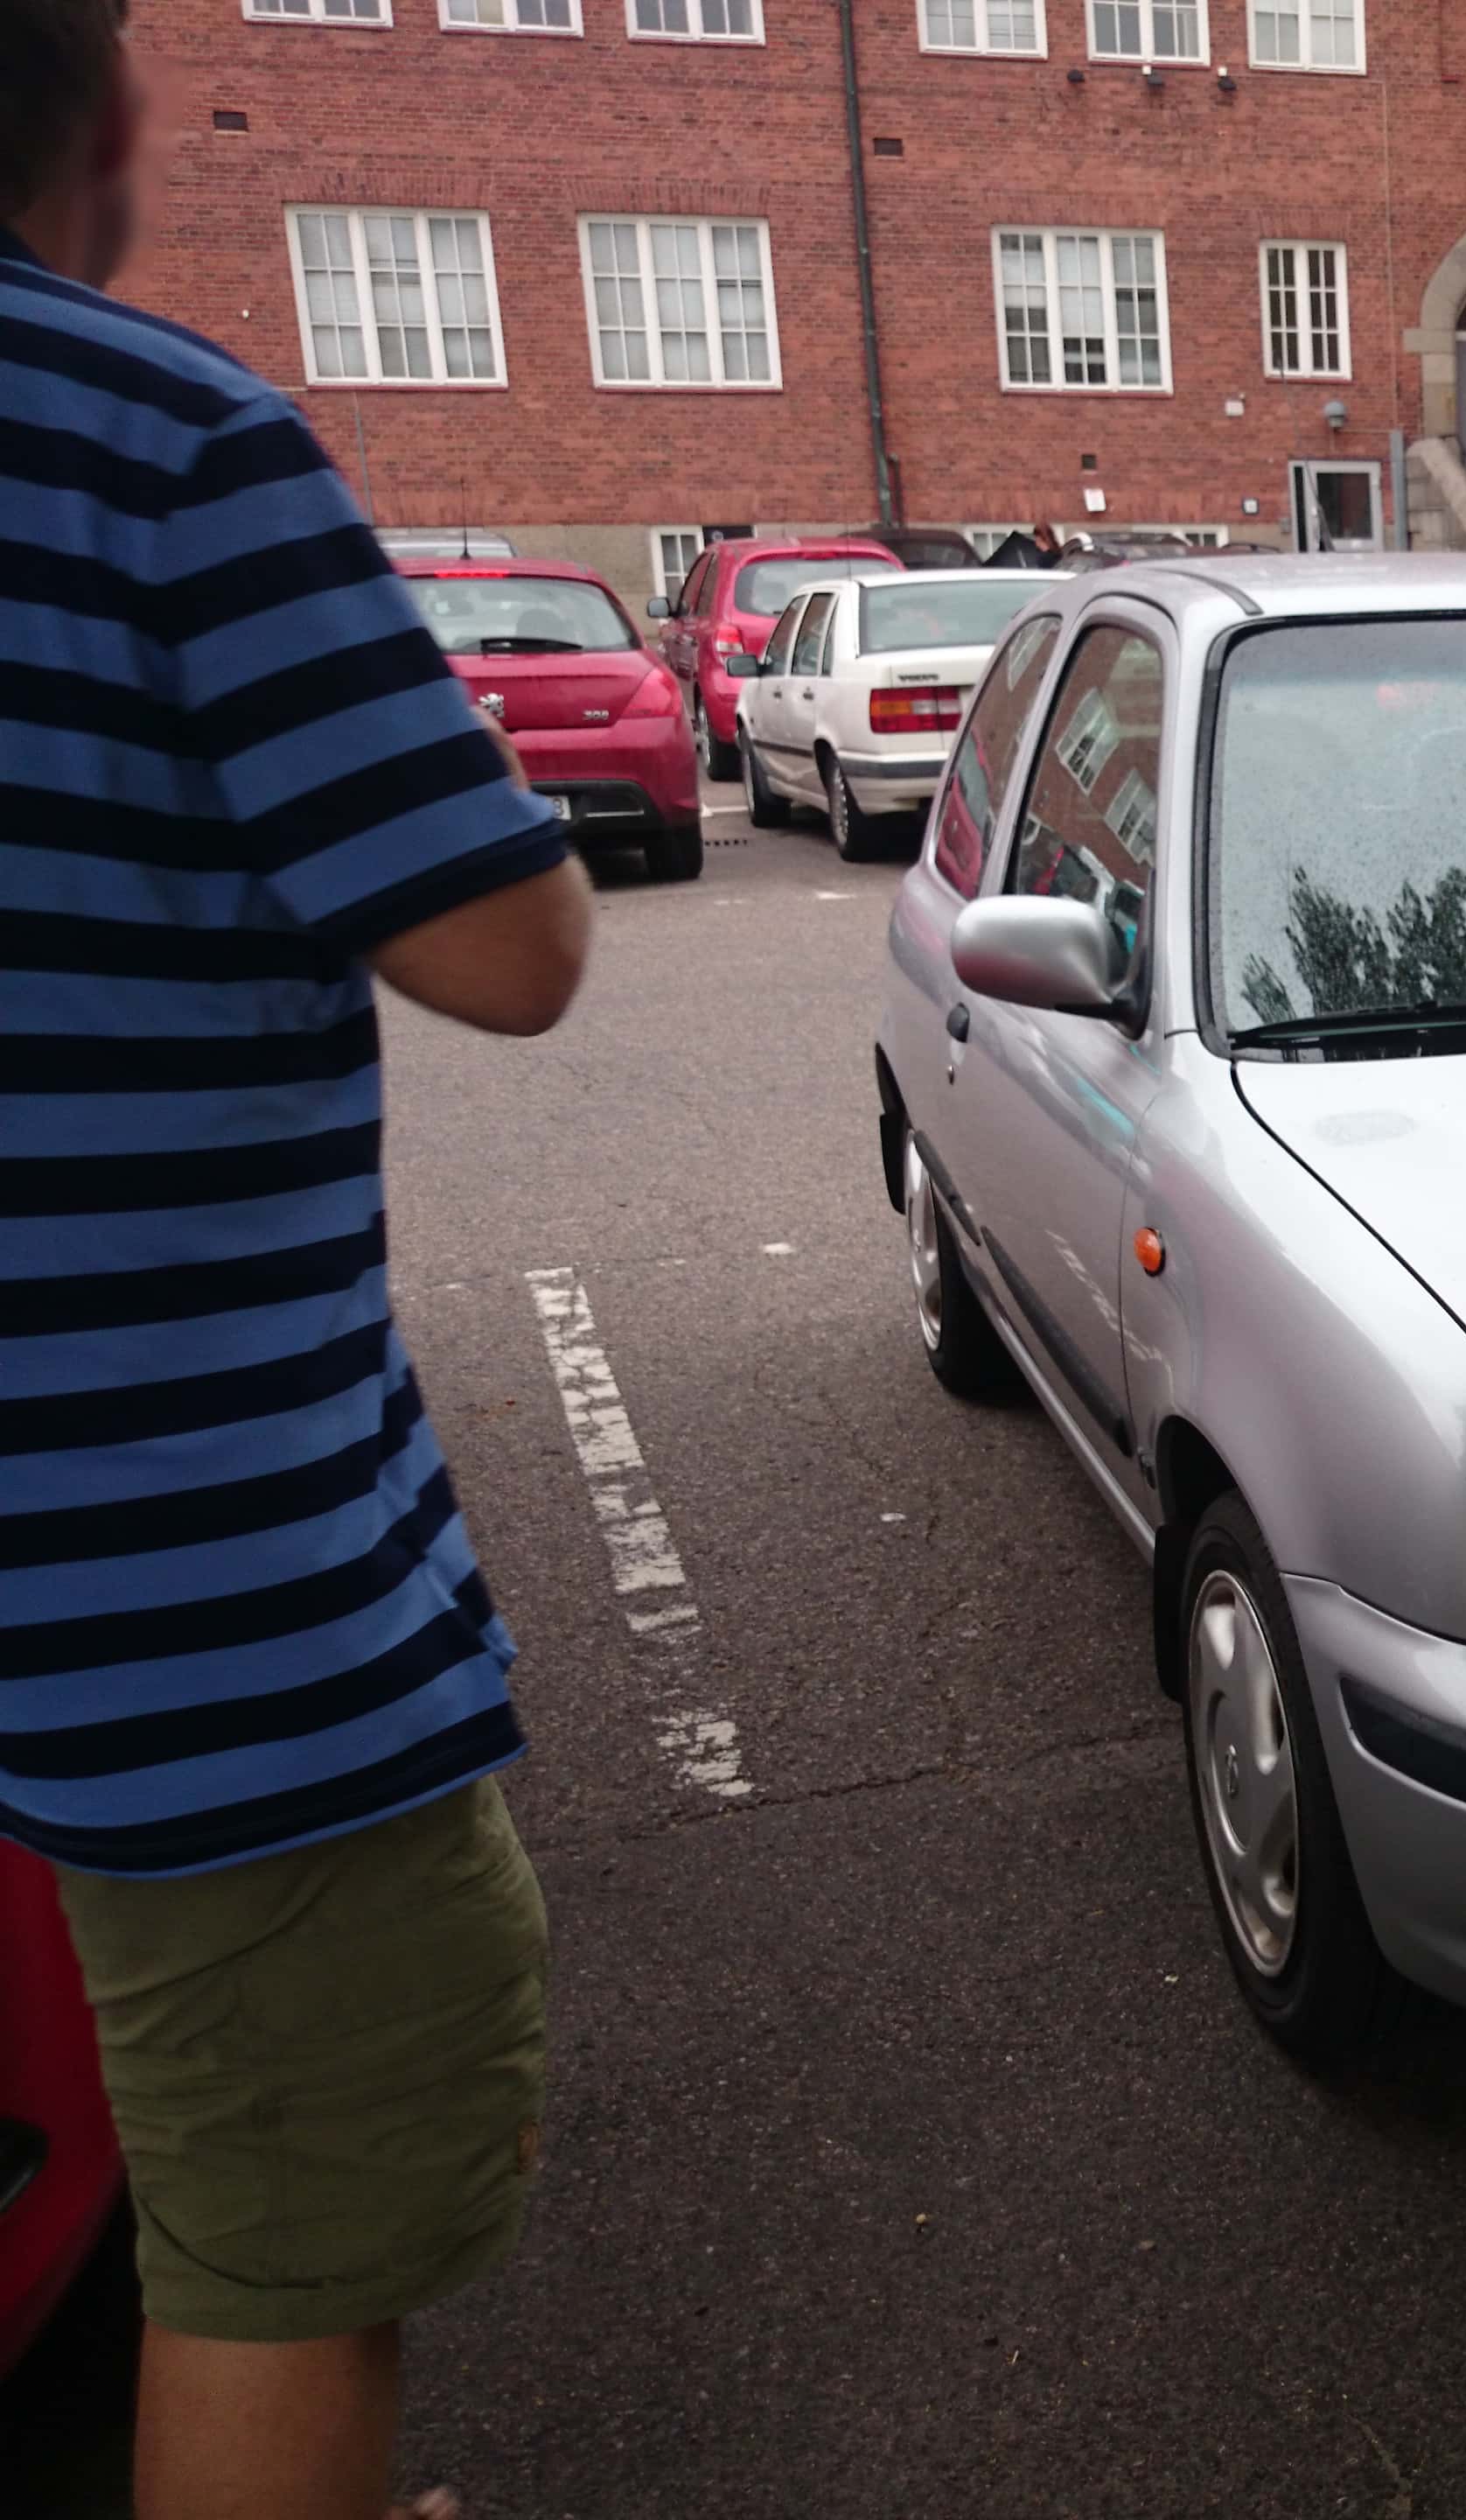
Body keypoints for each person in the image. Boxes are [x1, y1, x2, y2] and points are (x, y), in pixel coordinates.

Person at [0, 4, 590, 2516]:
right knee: (279, 2231)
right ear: (109, 110)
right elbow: (510, 948)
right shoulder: (153, 445)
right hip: (180, 1590)